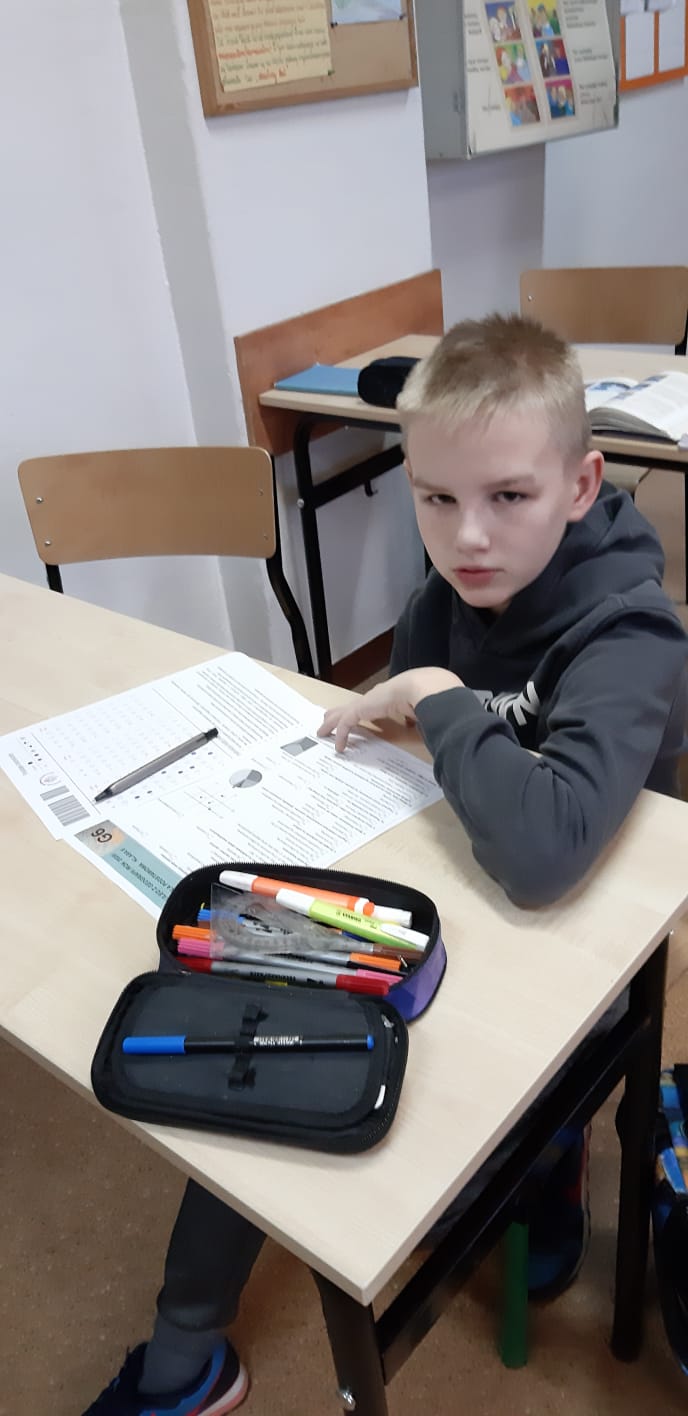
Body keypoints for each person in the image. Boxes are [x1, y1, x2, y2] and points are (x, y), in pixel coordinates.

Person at [84, 315, 688, 1415]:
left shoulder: (631, 632)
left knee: (452, 1116)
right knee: (262, 1017)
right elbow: (408, 750)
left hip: (565, 952)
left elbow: (546, 853)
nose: (466, 537)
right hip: (440, 903)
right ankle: (184, 1354)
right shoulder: (444, 597)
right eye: (434, 497)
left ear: (581, 483)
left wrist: (437, 699)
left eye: (508, 495)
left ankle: (554, 1151)